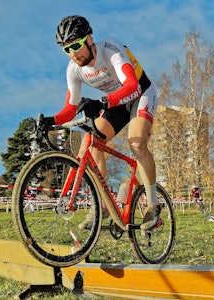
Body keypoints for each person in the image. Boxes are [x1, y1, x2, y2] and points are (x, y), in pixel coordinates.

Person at [38, 16, 160, 230]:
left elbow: (131, 85)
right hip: (115, 102)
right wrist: (52, 120)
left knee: (137, 142)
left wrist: (102, 102)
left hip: (140, 93)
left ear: (89, 39)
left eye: (76, 45)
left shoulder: (110, 48)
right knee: (91, 142)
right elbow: (70, 108)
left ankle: (153, 205)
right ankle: (102, 205)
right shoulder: (73, 69)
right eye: (67, 49)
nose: (73, 53)